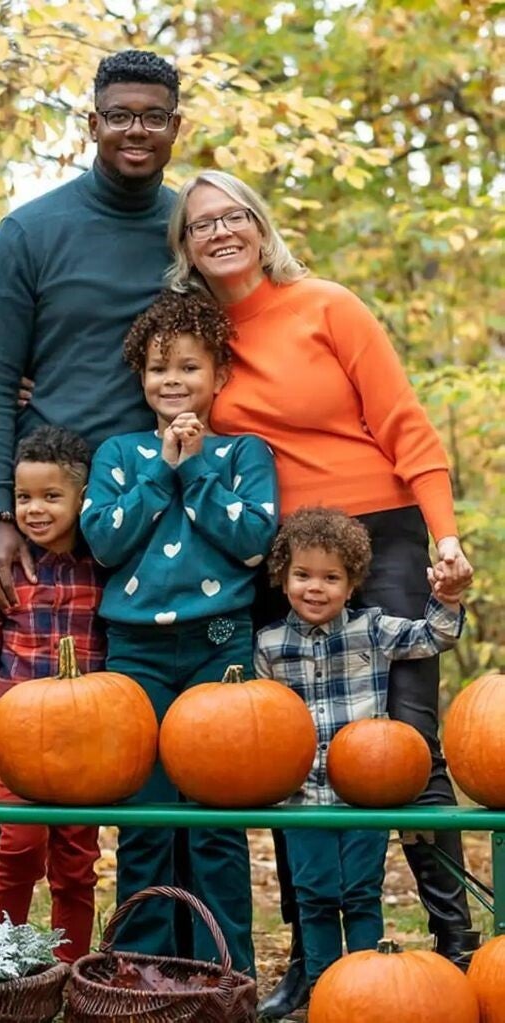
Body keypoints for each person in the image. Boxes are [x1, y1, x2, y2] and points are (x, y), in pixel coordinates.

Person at [166, 170, 477, 1017]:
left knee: (404, 745)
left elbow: (407, 422)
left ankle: (460, 950)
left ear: (261, 229)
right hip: (277, 555)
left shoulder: (326, 305)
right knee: (282, 748)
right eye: (202, 225)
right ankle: (310, 965)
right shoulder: (199, 340)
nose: (221, 232)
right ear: (186, 249)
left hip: (383, 532)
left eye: (235, 216)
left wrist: (445, 537)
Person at [0, 49, 182, 920]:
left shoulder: (186, 232)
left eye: (152, 115)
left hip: (152, 525)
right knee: (3, 725)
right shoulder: (31, 231)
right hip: (41, 523)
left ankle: (137, 945)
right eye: (119, 114)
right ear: (92, 122)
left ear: (174, 124)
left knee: (134, 732)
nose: (136, 130)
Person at [80, 289, 278, 975]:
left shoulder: (244, 454)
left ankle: (225, 976)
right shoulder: (118, 453)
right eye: (159, 367)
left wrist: (194, 465)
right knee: (148, 818)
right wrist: (161, 470)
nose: (173, 381)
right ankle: (144, 974)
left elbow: (253, 540)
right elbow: (105, 541)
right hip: (135, 651)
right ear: (141, 375)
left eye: (189, 367)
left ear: (219, 374)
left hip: (218, 647)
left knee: (216, 822)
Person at [254, 506, 466, 991]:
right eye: (303, 575)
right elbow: (258, 722)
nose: (315, 587)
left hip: (363, 793)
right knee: (314, 894)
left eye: (332, 578)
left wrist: (447, 598)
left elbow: (434, 636)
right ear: (283, 577)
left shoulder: (371, 628)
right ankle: (324, 984)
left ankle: (366, 986)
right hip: (304, 798)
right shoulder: (269, 644)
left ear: (351, 586)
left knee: (362, 892)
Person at [0, 424, 104, 962]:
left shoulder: (101, 569)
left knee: (75, 860)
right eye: (24, 497)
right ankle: (5, 964)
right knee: (18, 847)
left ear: (80, 499)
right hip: (15, 740)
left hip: (83, 743)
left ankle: (69, 970)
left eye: (51, 496)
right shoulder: (6, 574)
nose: (35, 509)